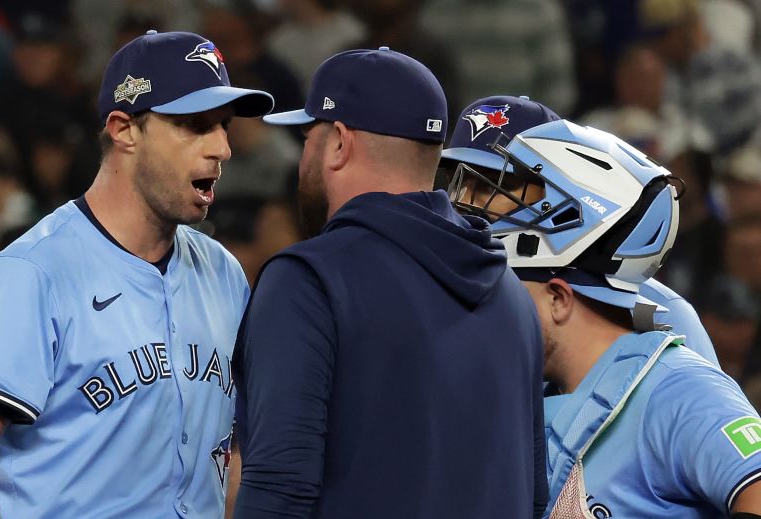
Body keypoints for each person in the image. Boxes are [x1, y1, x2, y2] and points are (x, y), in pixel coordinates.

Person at [0, 30, 274, 519]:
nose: (222, 149)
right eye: (194, 126)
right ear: (124, 129)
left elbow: (228, 452)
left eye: (223, 126)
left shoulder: (223, 273)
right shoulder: (31, 274)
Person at [233, 47, 547, 518]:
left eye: (308, 138)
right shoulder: (511, 295)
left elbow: (280, 487)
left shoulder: (309, 281)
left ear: (338, 142)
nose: (301, 162)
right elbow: (534, 495)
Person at [446, 117, 761, 517]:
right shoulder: (531, 397)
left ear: (559, 297)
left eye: (508, 291)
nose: (494, 309)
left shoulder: (676, 387)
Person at [441, 94, 720, 367]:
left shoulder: (659, 310)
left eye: (494, 184)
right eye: (461, 181)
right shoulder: (439, 282)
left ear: (557, 192)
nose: (464, 201)